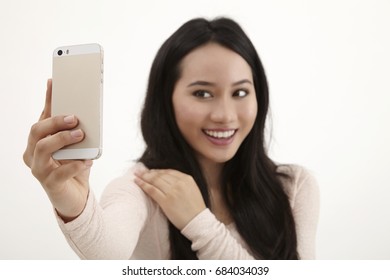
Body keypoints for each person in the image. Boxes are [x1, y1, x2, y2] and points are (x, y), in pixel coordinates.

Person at [23, 17, 319, 260]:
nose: (225, 115)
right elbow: (107, 253)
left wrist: (198, 221)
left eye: (240, 92)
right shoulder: (142, 189)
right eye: (202, 93)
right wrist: (68, 199)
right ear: (167, 99)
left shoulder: (294, 186)